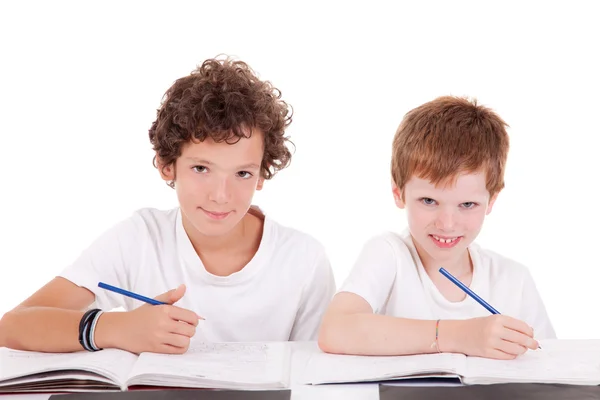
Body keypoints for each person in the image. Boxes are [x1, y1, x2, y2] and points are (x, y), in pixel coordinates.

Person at [0, 56, 335, 354]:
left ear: (262, 175)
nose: (221, 194)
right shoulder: (139, 239)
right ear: (167, 165)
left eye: (242, 173)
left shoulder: (304, 260)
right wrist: (115, 328)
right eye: (201, 169)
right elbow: (12, 326)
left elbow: (316, 374)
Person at [318, 96, 555, 360]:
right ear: (399, 193)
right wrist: (459, 336)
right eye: (429, 201)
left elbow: (547, 363)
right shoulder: (389, 255)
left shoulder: (513, 280)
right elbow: (335, 330)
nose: (447, 224)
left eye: (467, 204)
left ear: (491, 201)